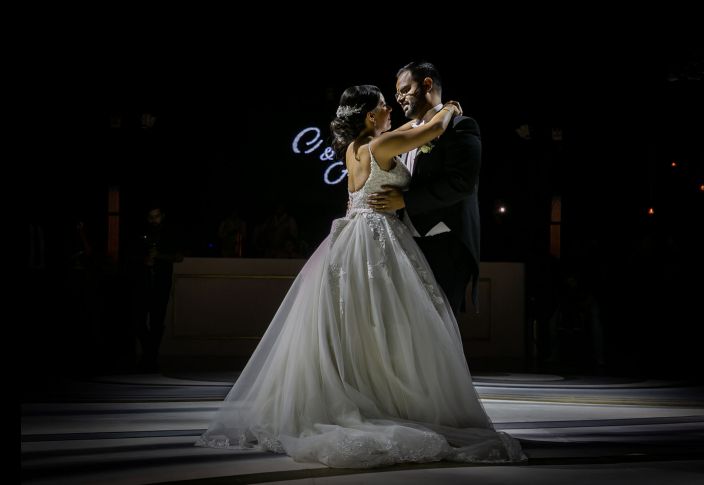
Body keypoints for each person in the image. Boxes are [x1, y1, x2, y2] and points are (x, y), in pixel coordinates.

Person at [196, 85, 525, 468]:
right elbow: (431, 132)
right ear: (371, 116)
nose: (390, 111)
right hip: (376, 237)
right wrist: (449, 107)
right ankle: (385, 396)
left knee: (358, 323)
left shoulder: (352, 150)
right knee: (386, 322)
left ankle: (364, 390)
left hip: (349, 236)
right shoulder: (378, 146)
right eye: (385, 106)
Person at [369, 62, 481, 315]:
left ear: (427, 84)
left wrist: (405, 201)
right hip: (405, 244)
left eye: (404, 90)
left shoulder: (460, 126)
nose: (398, 98)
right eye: (396, 93)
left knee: (438, 328)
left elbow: (461, 184)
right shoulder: (402, 136)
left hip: (445, 245)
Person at [129, 203, 184, 372]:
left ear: (162, 216)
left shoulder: (170, 233)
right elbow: (131, 255)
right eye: (151, 217)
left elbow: (178, 256)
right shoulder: (141, 234)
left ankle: (150, 358)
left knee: (157, 322)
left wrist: (158, 256)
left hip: (161, 283)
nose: (154, 220)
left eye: (157, 216)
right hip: (142, 284)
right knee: (138, 321)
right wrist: (143, 260)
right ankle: (150, 356)